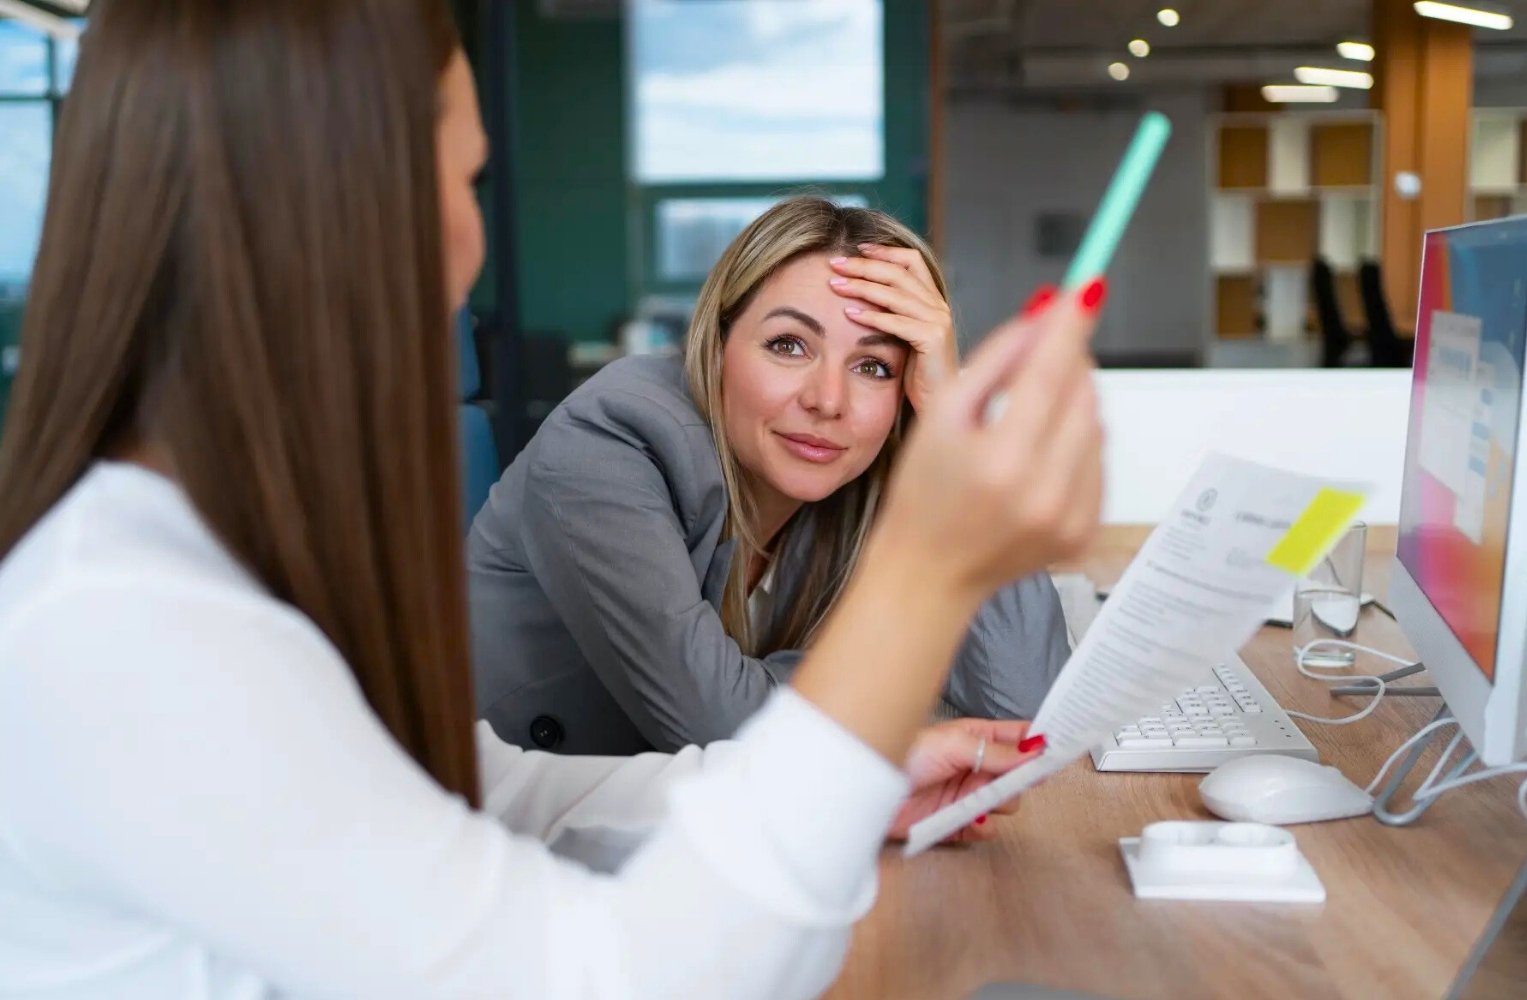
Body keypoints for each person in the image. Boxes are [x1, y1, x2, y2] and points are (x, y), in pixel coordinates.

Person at [0, 1, 1104, 997]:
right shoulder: (132, 631)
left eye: (872, 366)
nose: (473, 241)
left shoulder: (206, 557)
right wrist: (924, 575)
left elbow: (494, 789)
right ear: (342, 209)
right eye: (465, 181)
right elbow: (631, 975)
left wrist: (864, 773)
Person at [468, 197, 1071, 754]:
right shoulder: (611, 438)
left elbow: (1023, 710)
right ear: (717, 345)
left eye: (872, 365)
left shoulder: (871, 471)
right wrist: (885, 691)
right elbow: (716, 727)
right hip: (512, 836)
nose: (828, 400)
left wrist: (953, 430)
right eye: (788, 345)